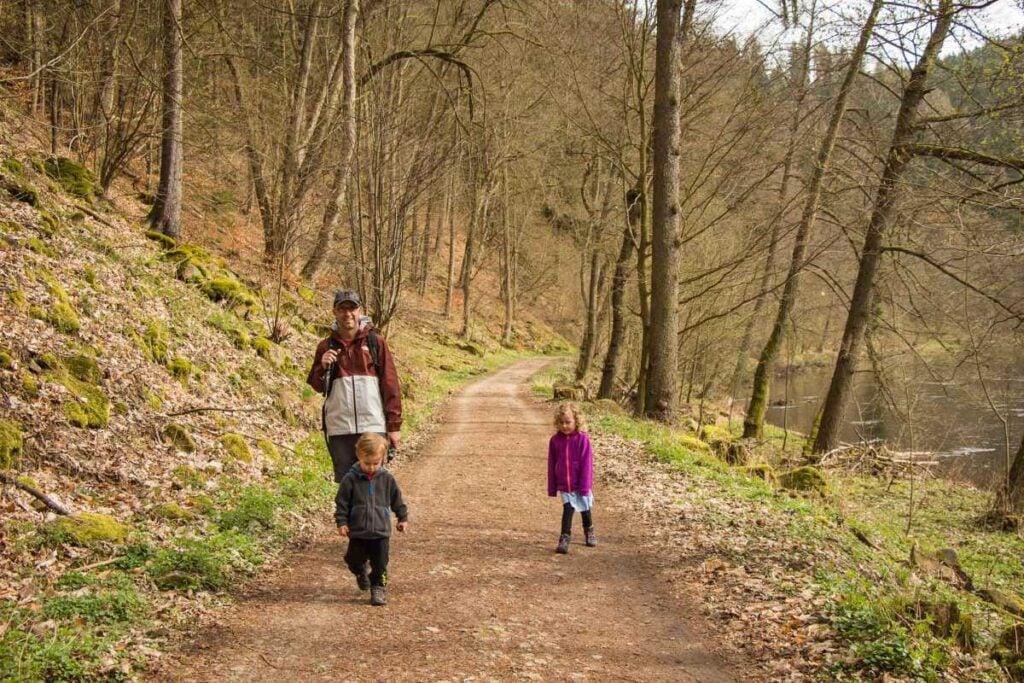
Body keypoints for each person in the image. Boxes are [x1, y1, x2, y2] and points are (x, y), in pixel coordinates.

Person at [306, 290, 402, 484]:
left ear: (360, 311)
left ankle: (375, 515)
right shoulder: (325, 346)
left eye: (352, 308)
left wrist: (393, 426)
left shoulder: (376, 343)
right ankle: (350, 515)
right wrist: (322, 367)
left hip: (372, 426)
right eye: (342, 308)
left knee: (373, 483)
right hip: (339, 429)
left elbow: (390, 384)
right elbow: (317, 386)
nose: (347, 313)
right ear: (335, 312)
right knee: (347, 486)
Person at [335, 433, 409, 606]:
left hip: (380, 531)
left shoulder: (387, 479)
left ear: (382, 459)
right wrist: (342, 522)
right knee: (353, 559)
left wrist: (402, 518)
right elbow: (342, 503)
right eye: (367, 463)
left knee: (380, 564)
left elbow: (396, 499)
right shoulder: (350, 479)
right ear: (359, 456)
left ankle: (378, 588)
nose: (371, 467)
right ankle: (360, 571)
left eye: (376, 463)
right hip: (358, 531)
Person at [547, 402, 597, 554]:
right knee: (568, 509)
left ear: (576, 421)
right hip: (565, 485)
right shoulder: (555, 441)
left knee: (585, 509)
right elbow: (551, 464)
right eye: (561, 422)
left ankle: (589, 531)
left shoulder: (583, 440)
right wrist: (552, 486)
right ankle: (564, 537)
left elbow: (587, 464)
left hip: (580, 483)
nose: (564, 426)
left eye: (568, 422)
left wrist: (585, 486)